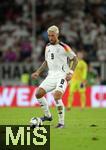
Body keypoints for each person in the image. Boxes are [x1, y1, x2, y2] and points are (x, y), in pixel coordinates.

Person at [31, 25, 78, 128]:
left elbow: (75, 59)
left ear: (57, 34)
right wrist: (38, 72)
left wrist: (70, 73)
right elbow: (47, 61)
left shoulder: (64, 47)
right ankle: (48, 116)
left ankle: (61, 123)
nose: (51, 38)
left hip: (62, 75)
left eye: (52, 35)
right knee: (38, 94)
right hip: (51, 75)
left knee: (57, 96)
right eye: (49, 36)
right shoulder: (47, 46)